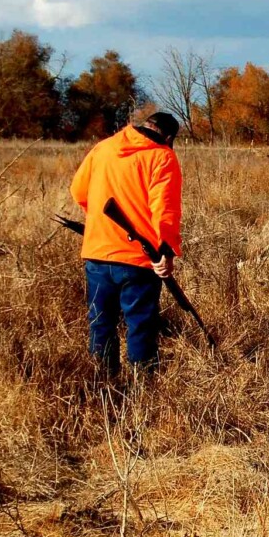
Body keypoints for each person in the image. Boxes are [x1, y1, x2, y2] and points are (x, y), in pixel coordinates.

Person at [70, 112, 183, 380]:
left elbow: (78, 191)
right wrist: (166, 252)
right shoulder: (162, 156)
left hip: (97, 253)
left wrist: (101, 222)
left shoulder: (103, 148)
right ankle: (143, 388)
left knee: (100, 323)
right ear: (168, 138)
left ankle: (103, 383)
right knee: (140, 325)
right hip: (139, 260)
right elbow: (164, 210)